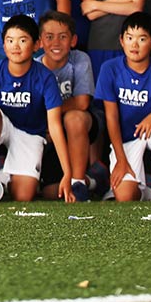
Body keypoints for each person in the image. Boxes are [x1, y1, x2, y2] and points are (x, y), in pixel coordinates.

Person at [0, 14, 74, 204]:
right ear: (3, 45)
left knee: (23, 196)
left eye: (22, 40)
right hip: (1, 127)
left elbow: (54, 126)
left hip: (30, 133)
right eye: (10, 40)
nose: (15, 46)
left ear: (36, 45)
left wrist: (68, 173)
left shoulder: (45, 78)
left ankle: (2, 174)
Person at [94, 11, 151, 203]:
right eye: (129, 38)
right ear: (121, 41)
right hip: (125, 140)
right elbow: (111, 117)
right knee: (126, 197)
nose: (134, 45)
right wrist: (120, 159)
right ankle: (147, 190)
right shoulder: (109, 69)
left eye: (142, 39)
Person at [34, 11, 97, 203]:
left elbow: (82, 102)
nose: (56, 43)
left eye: (63, 37)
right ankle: (94, 181)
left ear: (73, 40)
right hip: (48, 134)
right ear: (40, 42)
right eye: (49, 37)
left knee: (74, 118)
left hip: (77, 126)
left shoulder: (80, 59)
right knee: (52, 193)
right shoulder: (34, 66)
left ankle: (78, 182)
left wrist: (52, 114)